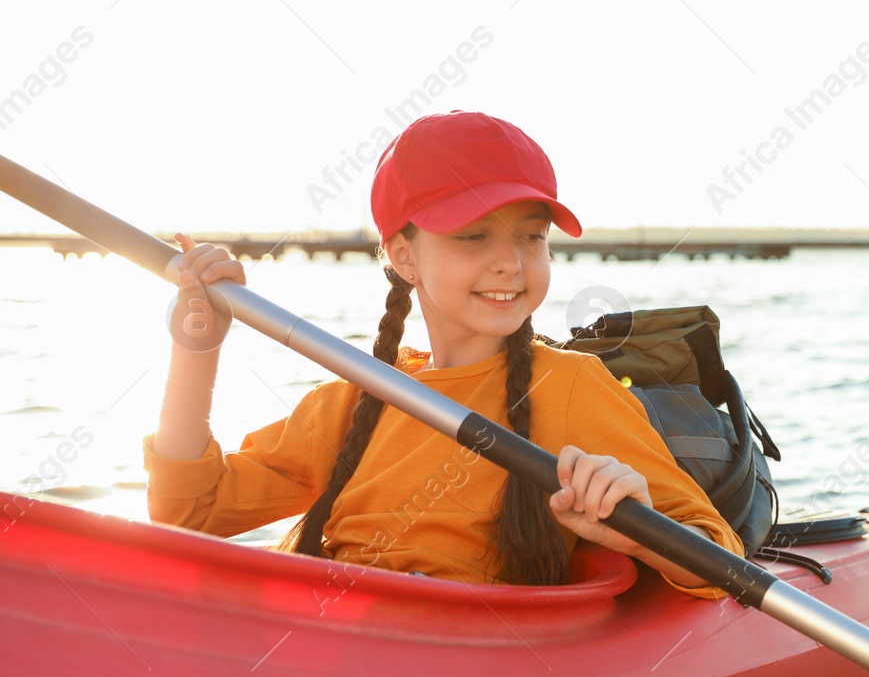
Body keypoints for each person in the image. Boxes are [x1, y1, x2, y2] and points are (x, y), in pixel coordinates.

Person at [143, 110, 741, 597]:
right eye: (473, 235)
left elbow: (720, 562)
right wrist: (195, 351)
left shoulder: (571, 387)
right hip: (330, 650)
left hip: (460, 668)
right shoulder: (356, 395)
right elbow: (190, 514)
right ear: (404, 256)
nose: (510, 260)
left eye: (531, 235)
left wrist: (634, 527)